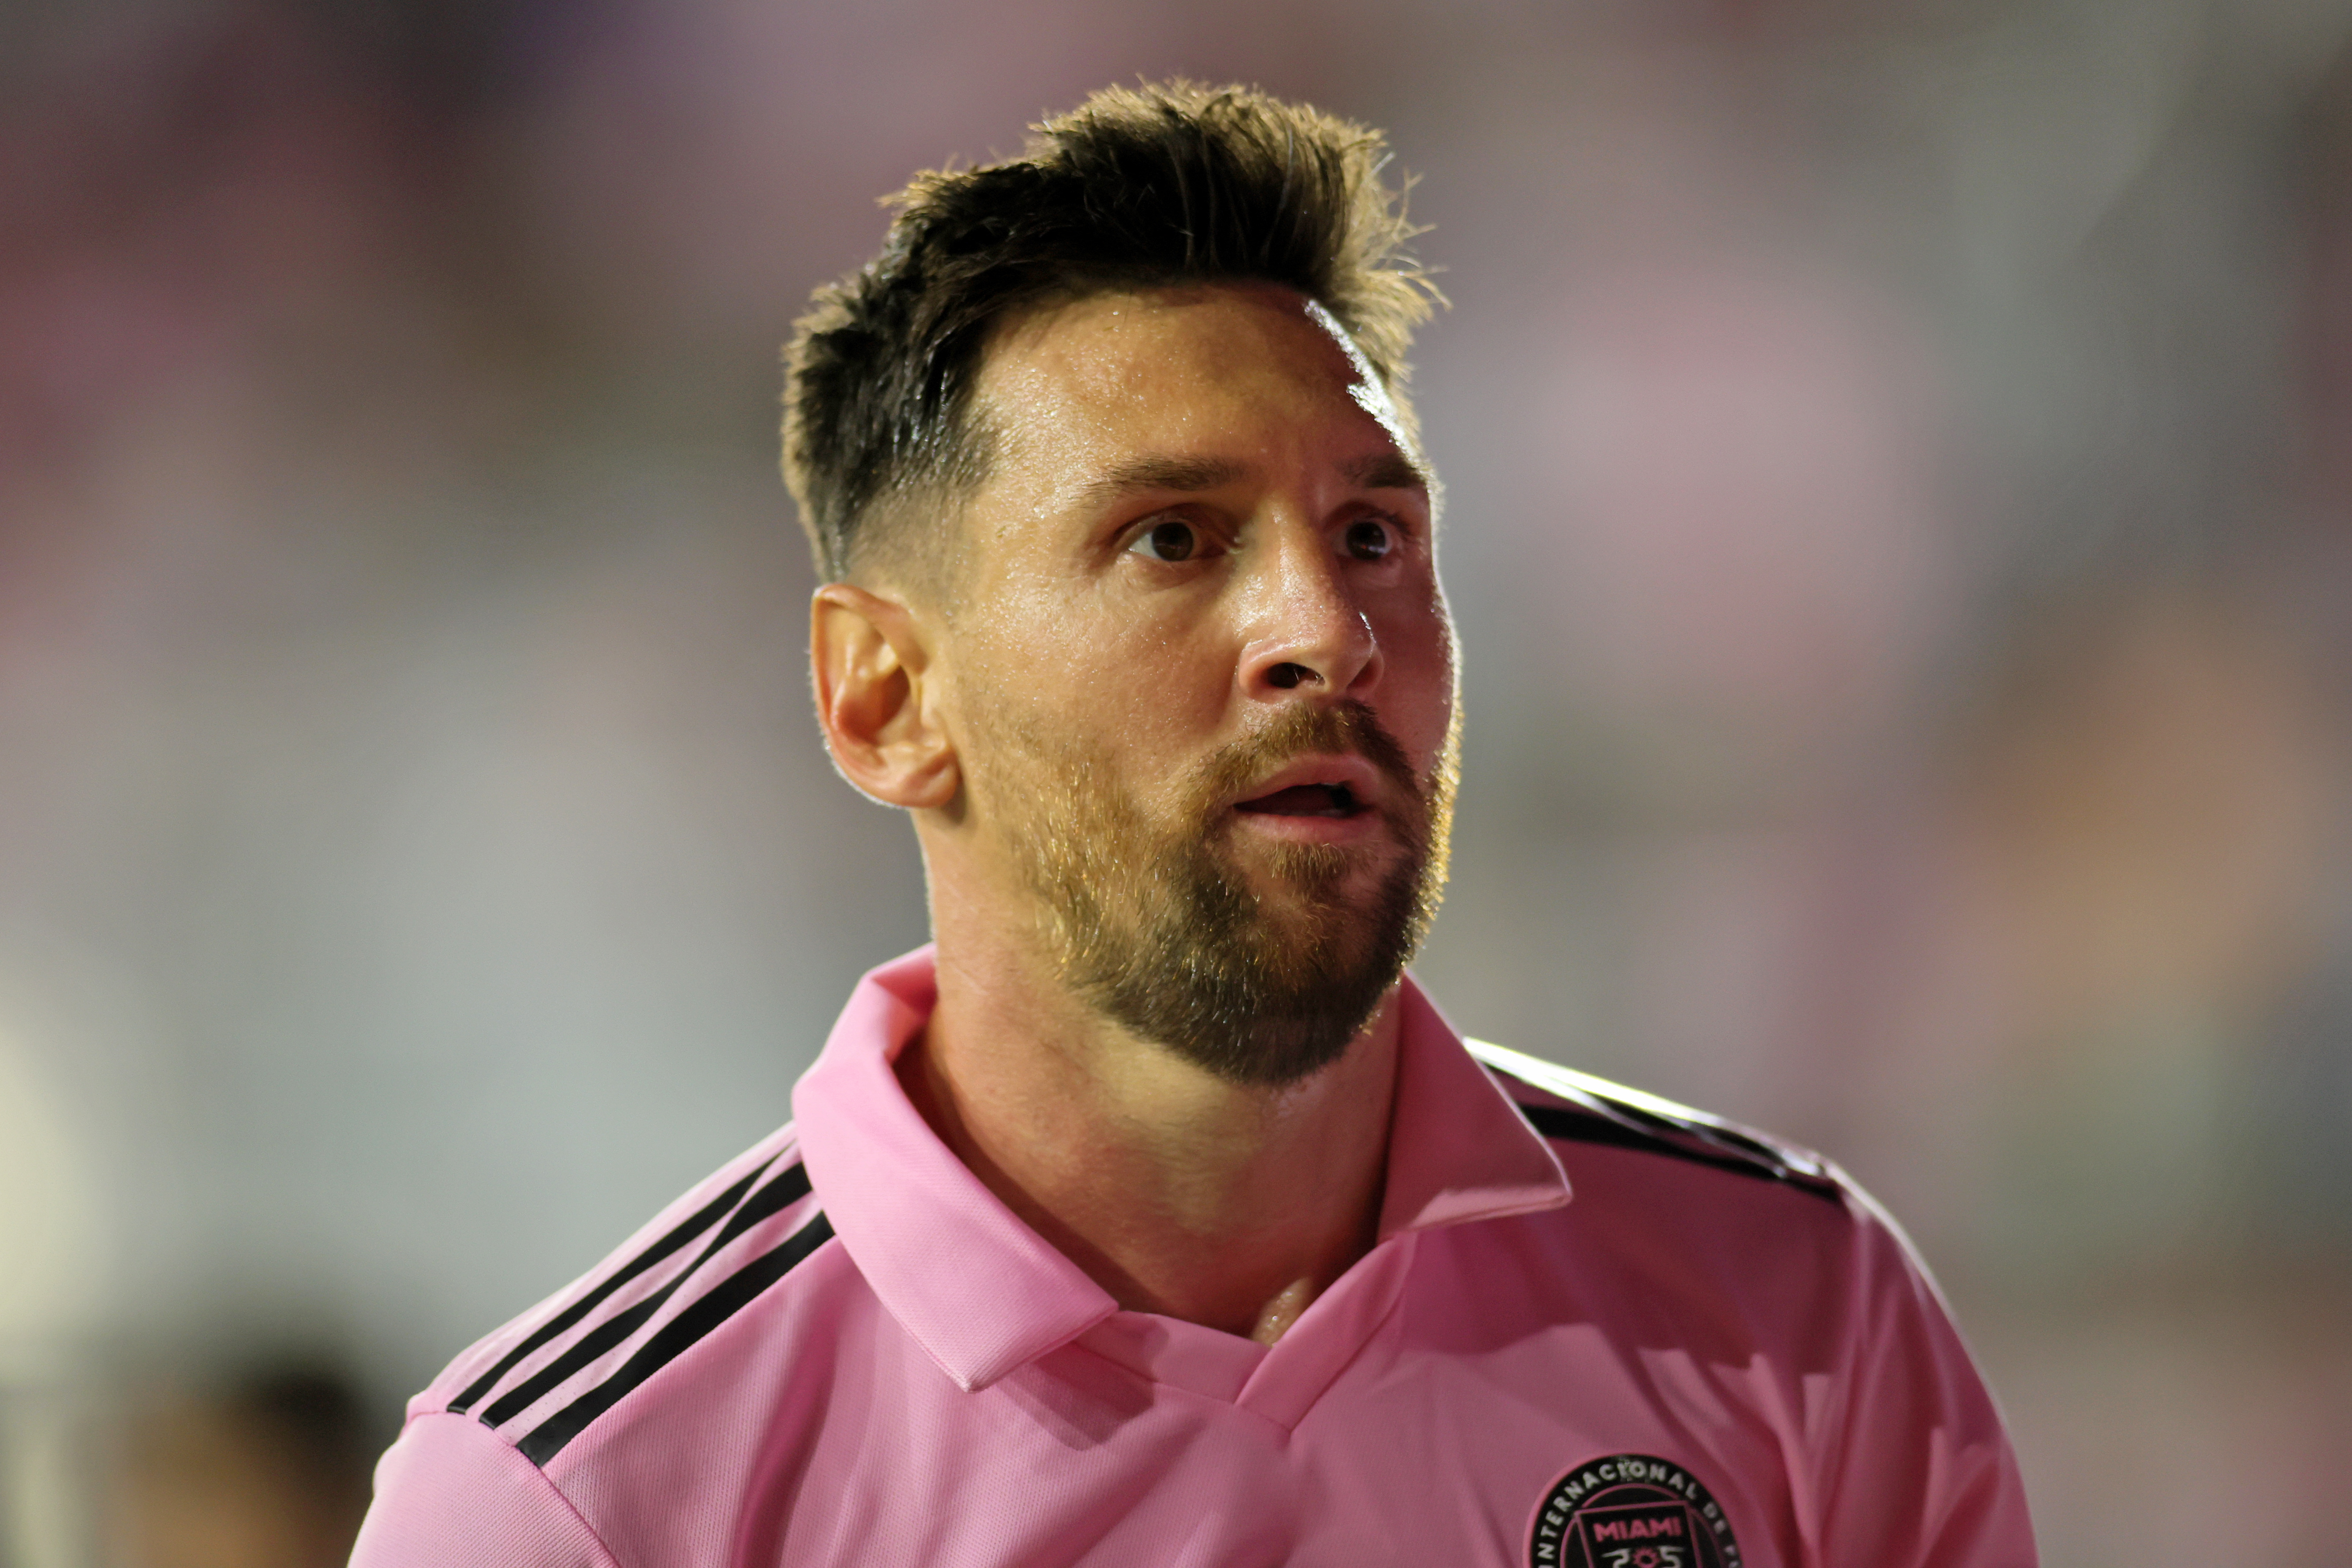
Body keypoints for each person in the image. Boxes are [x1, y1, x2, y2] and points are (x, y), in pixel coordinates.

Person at [349, 82, 2036, 1567]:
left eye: (1374, 535)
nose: (1325, 627)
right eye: (1173, 538)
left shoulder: (1800, 1307)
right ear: (884, 699)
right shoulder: (576, 1508)